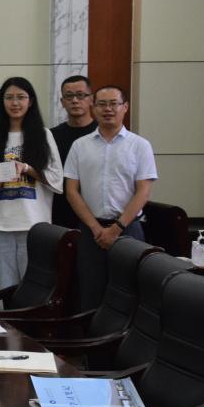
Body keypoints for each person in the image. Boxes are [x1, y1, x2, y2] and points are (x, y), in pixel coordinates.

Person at [65, 85, 157, 311]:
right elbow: (72, 191)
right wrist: (96, 228)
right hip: (91, 231)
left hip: (128, 229)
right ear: (93, 107)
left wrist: (116, 228)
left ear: (125, 107)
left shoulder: (140, 145)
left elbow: (143, 192)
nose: (108, 109)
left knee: (129, 292)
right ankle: (91, 334)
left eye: (114, 104)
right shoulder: (80, 146)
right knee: (91, 293)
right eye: (102, 104)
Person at [0, 77, 64, 292]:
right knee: (4, 287)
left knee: (32, 288)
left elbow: (56, 179)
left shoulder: (44, 135)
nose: (15, 103)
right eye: (9, 98)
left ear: (30, 101)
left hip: (34, 224)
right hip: (0, 225)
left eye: (21, 97)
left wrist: (26, 169)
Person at [50, 75, 98, 228]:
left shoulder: (102, 134)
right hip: (60, 213)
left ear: (91, 99)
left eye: (81, 95)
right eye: (69, 96)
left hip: (97, 214)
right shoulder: (51, 136)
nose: (75, 100)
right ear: (62, 102)